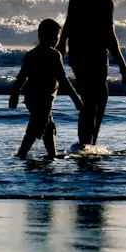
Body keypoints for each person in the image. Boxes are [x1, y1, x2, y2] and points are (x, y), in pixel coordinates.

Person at [57, 0, 126, 147]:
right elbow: (109, 35)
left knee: (99, 97)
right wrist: (123, 67)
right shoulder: (101, 0)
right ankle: (86, 144)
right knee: (91, 100)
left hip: (91, 55)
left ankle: (89, 143)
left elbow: (69, 23)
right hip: (85, 56)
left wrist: (62, 45)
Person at [9, 18, 83, 159]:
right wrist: (76, 99)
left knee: (48, 127)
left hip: (31, 97)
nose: (57, 40)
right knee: (36, 127)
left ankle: (52, 154)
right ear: (49, 37)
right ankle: (22, 153)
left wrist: (14, 95)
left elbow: (21, 78)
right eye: (56, 37)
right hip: (44, 98)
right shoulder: (54, 55)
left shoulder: (31, 54)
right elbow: (63, 80)